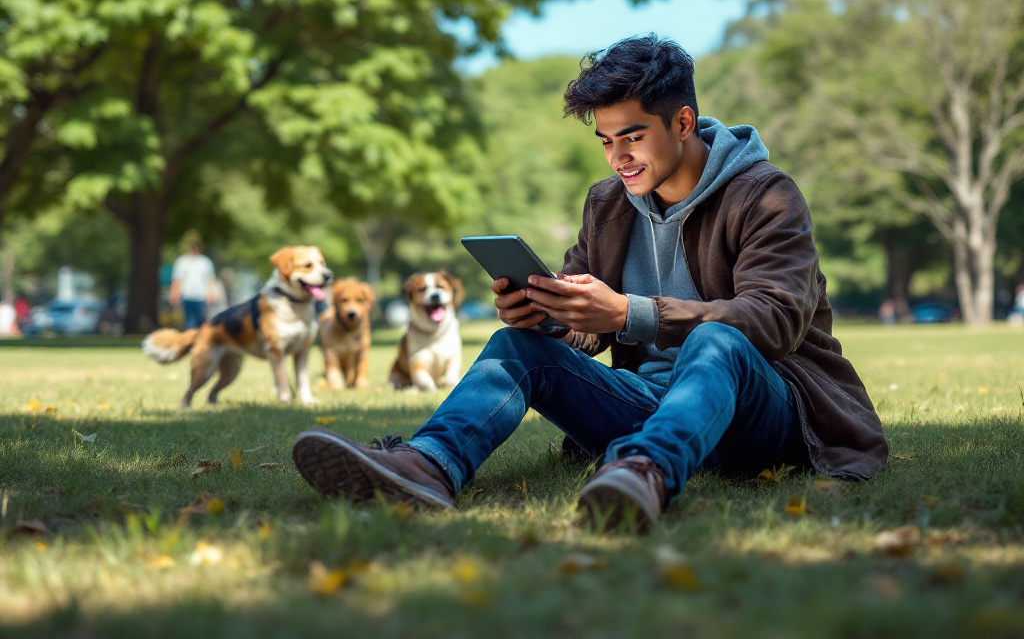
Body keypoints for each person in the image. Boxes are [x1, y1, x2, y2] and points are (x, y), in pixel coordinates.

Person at [292, 35, 888, 529]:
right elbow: (588, 325)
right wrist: (547, 312)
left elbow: (772, 320)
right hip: (651, 403)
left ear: (683, 122)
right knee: (515, 345)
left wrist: (631, 313)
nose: (617, 157)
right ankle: (429, 465)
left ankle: (642, 474)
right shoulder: (608, 204)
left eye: (632, 136)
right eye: (606, 140)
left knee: (718, 340)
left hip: (765, 411)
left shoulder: (766, 195)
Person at [169, 236, 217, 330]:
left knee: (200, 320)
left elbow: (210, 279)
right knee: (189, 320)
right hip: (187, 294)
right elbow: (177, 279)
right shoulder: (182, 261)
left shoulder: (205, 262)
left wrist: (211, 293)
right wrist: (174, 293)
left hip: (201, 295)